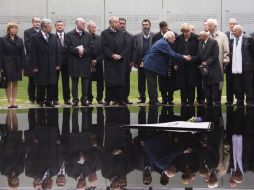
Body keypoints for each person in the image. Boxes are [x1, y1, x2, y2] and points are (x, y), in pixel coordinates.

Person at [144, 31, 190, 105]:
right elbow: (171, 54)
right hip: (151, 66)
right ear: (170, 38)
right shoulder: (163, 43)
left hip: (150, 65)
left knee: (152, 83)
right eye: (174, 38)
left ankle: (153, 100)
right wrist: (183, 56)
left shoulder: (161, 41)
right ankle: (153, 101)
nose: (175, 40)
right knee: (152, 84)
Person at [30, 18, 60, 107]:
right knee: (41, 83)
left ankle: (49, 100)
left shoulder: (54, 37)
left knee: (51, 83)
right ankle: (40, 100)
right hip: (40, 64)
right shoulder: (35, 37)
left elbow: (57, 51)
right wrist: (34, 66)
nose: (51, 28)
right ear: (44, 28)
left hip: (52, 64)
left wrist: (58, 64)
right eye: (49, 27)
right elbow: (33, 53)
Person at [65, 17, 94, 107]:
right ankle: (75, 100)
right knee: (74, 82)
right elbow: (67, 47)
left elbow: (91, 47)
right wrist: (77, 51)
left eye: (84, 24)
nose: (84, 25)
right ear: (77, 23)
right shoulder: (69, 34)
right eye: (82, 23)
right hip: (74, 62)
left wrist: (83, 52)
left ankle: (84, 100)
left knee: (85, 82)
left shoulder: (88, 35)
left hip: (85, 62)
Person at [101, 16, 128, 106]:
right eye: (116, 22)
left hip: (120, 61)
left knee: (120, 81)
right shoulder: (104, 33)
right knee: (109, 81)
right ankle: (108, 100)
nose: (118, 24)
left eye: (118, 22)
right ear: (111, 23)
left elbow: (126, 47)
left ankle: (120, 100)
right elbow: (103, 47)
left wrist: (121, 55)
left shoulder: (121, 33)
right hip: (110, 61)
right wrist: (112, 55)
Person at [0, 22, 25, 108]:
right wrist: (1, 66)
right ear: (8, 29)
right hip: (6, 63)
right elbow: (0, 53)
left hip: (17, 63)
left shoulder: (20, 40)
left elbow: (22, 54)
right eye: (12, 28)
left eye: (15, 28)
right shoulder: (2, 40)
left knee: (15, 82)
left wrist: (22, 66)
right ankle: (9, 101)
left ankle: (14, 101)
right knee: (8, 81)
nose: (14, 30)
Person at [174, 23, 199, 106]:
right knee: (182, 85)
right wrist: (175, 63)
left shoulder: (196, 38)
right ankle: (184, 102)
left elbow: (199, 53)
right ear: (182, 31)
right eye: (185, 32)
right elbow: (173, 52)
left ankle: (191, 102)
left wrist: (192, 58)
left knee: (191, 85)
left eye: (188, 31)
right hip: (181, 65)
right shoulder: (178, 39)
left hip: (192, 65)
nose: (187, 33)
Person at [197, 31, 223, 106]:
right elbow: (199, 55)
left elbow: (215, 55)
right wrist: (191, 58)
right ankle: (209, 104)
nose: (198, 38)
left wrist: (206, 62)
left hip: (213, 70)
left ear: (205, 36)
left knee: (215, 89)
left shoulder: (213, 42)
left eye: (200, 37)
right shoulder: (200, 43)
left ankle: (217, 106)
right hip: (205, 72)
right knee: (207, 90)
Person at [152, 21, 175, 105]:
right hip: (161, 63)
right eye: (164, 29)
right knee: (162, 82)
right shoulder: (156, 37)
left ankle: (170, 99)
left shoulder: (173, 34)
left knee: (171, 81)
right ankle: (164, 99)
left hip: (171, 62)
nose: (166, 30)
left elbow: (175, 48)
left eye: (167, 28)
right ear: (161, 28)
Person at [207, 18, 230, 103]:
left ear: (215, 26)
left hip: (219, 64)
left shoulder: (222, 36)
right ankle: (209, 101)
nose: (209, 27)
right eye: (208, 25)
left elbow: (226, 50)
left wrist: (225, 61)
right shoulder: (206, 35)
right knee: (208, 83)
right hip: (208, 65)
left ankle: (217, 103)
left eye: (210, 25)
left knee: (219, 84)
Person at [231, 25, 254, 106]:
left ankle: (250, 101)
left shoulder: (248, 39)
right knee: (238, 86)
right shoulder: (232, 40)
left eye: (235, 31)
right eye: (232, 31)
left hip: (247, 67)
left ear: (240, 31)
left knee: (248, 85)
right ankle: (239, 100)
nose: (233, 32)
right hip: (236, 67)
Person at [133, 19, 155, 103]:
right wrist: (134, 61)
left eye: (146, 24)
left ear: (150, 25)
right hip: (140, 63)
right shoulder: (137, 36)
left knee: (151, 82)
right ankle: (142, 98)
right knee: (141, 82)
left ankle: (152, 98)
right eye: (143, 25)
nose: (145, 26)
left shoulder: (154, 36)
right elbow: (135, 49)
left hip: (151, 63)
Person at [24, 17, 41, 104]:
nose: (37, 23)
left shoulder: (43, 31)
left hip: (41, 60)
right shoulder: (28, 32)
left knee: (41, 80)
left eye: (39, 21)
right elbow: (28, 45)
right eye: (36, 21)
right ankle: (32, 98)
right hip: (31, 60)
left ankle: (40, 97)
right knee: (32, 80)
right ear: (32, 22)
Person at [87, 21, 104, 105]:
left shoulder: (99, 38)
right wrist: (90, 60)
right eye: (92, 27)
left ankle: (99, 98)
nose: (94, 29)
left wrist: (97, 60)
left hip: (98, 63)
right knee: (88, 82)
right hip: (87, 64)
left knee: (100, 81)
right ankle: (89, 98)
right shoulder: (85, 37)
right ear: (88, 28)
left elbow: (102, 51)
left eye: (94, 27)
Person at [54, 20, 71, 105]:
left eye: (61, 25)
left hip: (66, 62)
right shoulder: (52, 36)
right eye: (58, 25)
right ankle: (55, 99)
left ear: (64, 26)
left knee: (66, 81)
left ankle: (67, 99)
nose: (60, 26)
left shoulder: (68, 36)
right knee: (54, 81)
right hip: (56, 62)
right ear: (55, 27)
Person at [119, 17, 134, 105]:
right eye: (120, 23)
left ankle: (125, 98)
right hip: (117, 62)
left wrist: (132, 60)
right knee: (117, 81)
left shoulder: (130, 36)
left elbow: (133, 49)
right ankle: (117, 99)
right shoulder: (115, 35)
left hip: (127, 62)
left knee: (126, 81)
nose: (122, 25)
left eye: (123, 23)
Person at [225, 18, 237, 105]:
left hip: (237, 63)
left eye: (234, 23)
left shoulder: (241, 34)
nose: (232, 25)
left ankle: (239, 99)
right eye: (230, 24)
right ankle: (229, 100)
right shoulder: (225, 35)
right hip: (228, 64)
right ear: (228, 25)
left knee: (237, 82)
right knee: (229, 82)